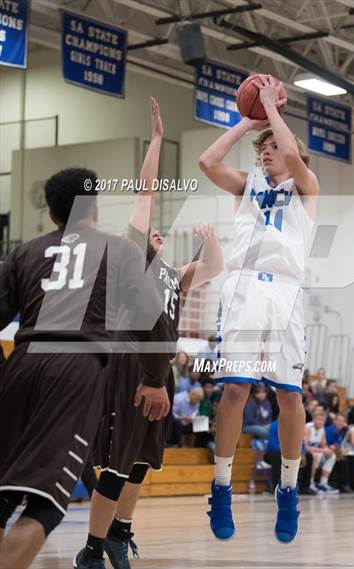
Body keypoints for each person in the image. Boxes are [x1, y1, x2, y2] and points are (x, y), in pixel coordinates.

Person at [74, 98, 223, 569]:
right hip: (131, 368)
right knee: (118, 464)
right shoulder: (129, 260)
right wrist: (157, 141)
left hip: (163, 369)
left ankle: (120, 532)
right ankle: (90, 550)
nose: (154, 232)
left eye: (158, 233)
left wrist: (213, 240)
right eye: (147, 231)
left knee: (141, 461)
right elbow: (145, 192)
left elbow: (215, 267)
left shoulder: (173, 275)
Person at [0, 167, 170, 569]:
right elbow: (154, 320)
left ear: (53, 213)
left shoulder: (24, 252)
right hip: (76, 371)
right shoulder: (119, 249)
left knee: (4, 492)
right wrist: (155, 379)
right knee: (46, 502)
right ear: (94, 206)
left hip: (21, 365)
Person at [199, 75, 319, 543]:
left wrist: (273, 112)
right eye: (261, 148)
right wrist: (247, 119)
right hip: (245, 289)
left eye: (270, 145)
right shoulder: (247, 186)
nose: (265, 152)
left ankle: (288, 489)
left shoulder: (307, 186)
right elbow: (208, 161)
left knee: (289, 396)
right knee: (235, 391)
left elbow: (291, 155)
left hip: (287, 293)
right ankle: (222, 486)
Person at [304, 411, 339, 494]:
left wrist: (328, 449)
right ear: (313, 419)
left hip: (316, 451)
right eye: (318, 419)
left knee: (332, 455)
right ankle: (311, 483)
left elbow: (324, 445)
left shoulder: (322, 429)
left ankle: (323, 483)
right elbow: (305, 447)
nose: (320, 422)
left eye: (322, 420)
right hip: (305, 452)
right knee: (314, 457)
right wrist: (323, 450)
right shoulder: (307, 428)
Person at [325, 414, 352, 492]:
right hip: (326, 450)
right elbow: (330, 445)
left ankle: (345, 484)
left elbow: (338, 444)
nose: (341, 423)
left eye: (343, 421)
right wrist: (340, 450)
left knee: (348, 458)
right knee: (342, 459)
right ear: (334, 421)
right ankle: (336, 484)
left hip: (335, 450)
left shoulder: (341, 431)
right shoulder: (330, 430)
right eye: (339, 420)